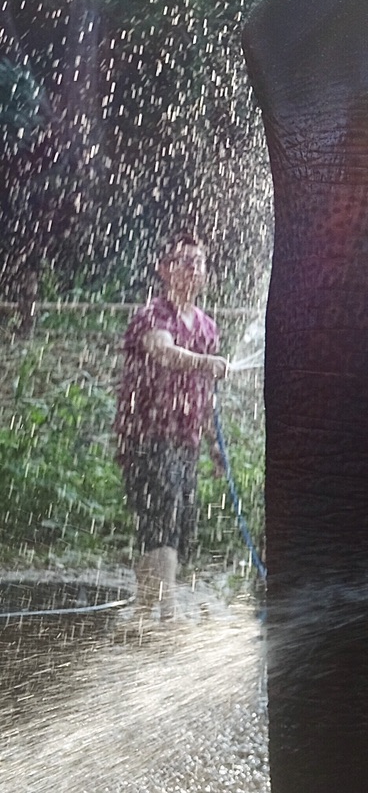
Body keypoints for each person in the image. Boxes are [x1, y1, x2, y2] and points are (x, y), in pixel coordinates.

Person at [114, 229, 226, 618]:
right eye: (185, 262)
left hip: (186, 437)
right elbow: (162, 351)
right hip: (146, 432)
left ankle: (148, 607)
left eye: (200, 263)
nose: (194, 270)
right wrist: (203, 363)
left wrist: (213, 442)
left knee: (178, 518)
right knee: (160, 511)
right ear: (164, 269)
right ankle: (166, 609)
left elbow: (206, 392)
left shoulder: (207, 327)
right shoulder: (153, 314)